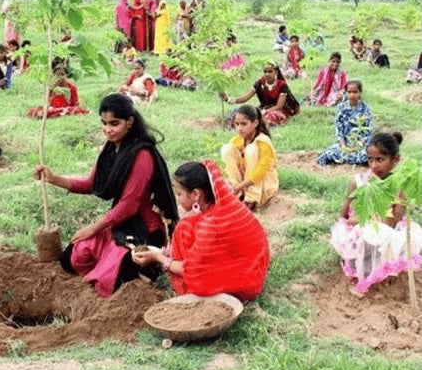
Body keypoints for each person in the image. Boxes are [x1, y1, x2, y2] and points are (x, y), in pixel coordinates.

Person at [34, 94, 178, 297]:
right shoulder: (111, 148)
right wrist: (53, 178)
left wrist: (93, 228)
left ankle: (140, 266)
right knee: (70, 260)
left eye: (114, 124)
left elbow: (129, 205)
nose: (108, 130)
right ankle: (110, 260)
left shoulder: (142, 155)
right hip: (120, 225)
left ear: (129, 121)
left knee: (116, 279)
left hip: (144, 230)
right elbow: (91, 184)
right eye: (104, 123)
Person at [133, 159, 269, 301]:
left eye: (179, 194)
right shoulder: (226, 205)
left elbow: (189, 270)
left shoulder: (210, 226)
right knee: (186, 226)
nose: (177, 199)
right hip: (253, 269)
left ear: (196, 194)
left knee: (184, 231)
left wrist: (158, 258)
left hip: (244, 285)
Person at [330, 132, 422, 295]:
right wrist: (351, 222)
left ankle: (385, 274)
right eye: (370, 160)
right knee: (364, 234)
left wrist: (368, 217)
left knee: (390, 237)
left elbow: (392, 222)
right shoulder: (359, 181)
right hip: (359, 231)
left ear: (395, 160)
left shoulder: (399, 187)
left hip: (386, 228)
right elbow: (344, 214)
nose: (373, 165)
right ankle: (362, 272)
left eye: (380, 160)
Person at [221, 105, 279, 209]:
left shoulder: (263, 141)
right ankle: (238, 195)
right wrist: (235, 186)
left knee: (251, 149)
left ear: (255, 123)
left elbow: (260, 172)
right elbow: (230, 165)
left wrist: (239, 187)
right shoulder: (237, 140)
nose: (239, 128)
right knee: (226, 149)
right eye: (237, 124)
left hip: (261, 182)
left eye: (244, 124)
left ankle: (251, 198)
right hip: (242, 184)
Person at [221, 61, 300, 126]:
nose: (267, 74)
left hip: (278, 111)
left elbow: (279, 106)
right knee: (241, 112)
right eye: (265, 71)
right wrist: (228, 99)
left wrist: (263, 112)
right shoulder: (259, 83)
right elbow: (244, 98)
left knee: (268, 117)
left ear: (275, 72)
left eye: (270, 71)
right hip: (263, 109)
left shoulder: (282, 85)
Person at [317, 80, 373, 166]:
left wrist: (358, 146)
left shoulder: (365, 109)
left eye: (355, 92)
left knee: (366, 155)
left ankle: (350, 159)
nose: (352, 95)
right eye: (349, 92)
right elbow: (339, 131)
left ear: (360, 93)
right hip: (345, 143)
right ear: (345, 92)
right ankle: (349, 159)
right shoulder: (341, 108)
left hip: (361, 144)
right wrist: (343, 147)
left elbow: (368, 132)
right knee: (327, 154)